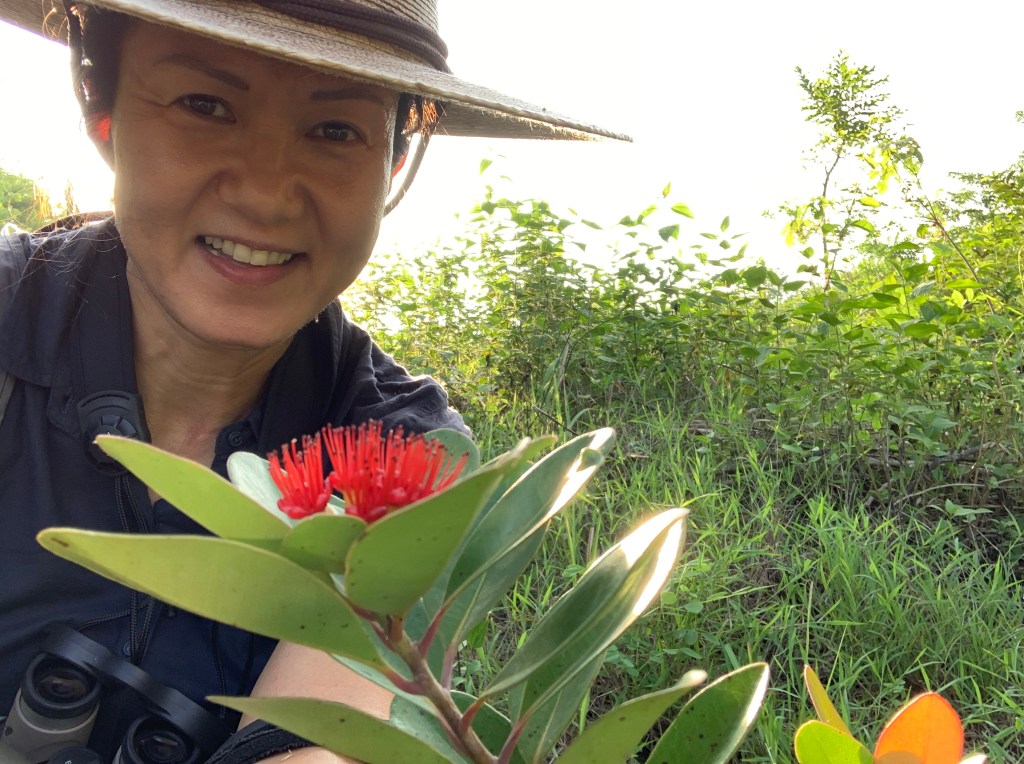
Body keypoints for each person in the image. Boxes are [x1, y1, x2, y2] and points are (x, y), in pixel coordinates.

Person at [0, 1, 627, 761]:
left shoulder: (405, 461)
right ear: (102, 113)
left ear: (395, 162)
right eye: (205, 104)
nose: (267, 194)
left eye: (335, 130)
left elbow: (315, 744)